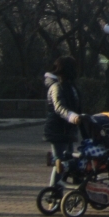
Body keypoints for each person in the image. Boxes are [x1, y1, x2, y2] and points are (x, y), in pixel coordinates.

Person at [44, 56, 83, 187]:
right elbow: (59, 107)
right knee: (60, 163)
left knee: (68, 162)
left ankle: (67, 194)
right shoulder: (57, 87)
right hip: (58, 129)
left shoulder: (70, 86)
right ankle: (54, 196)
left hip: (68, 129)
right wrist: (73, 117)